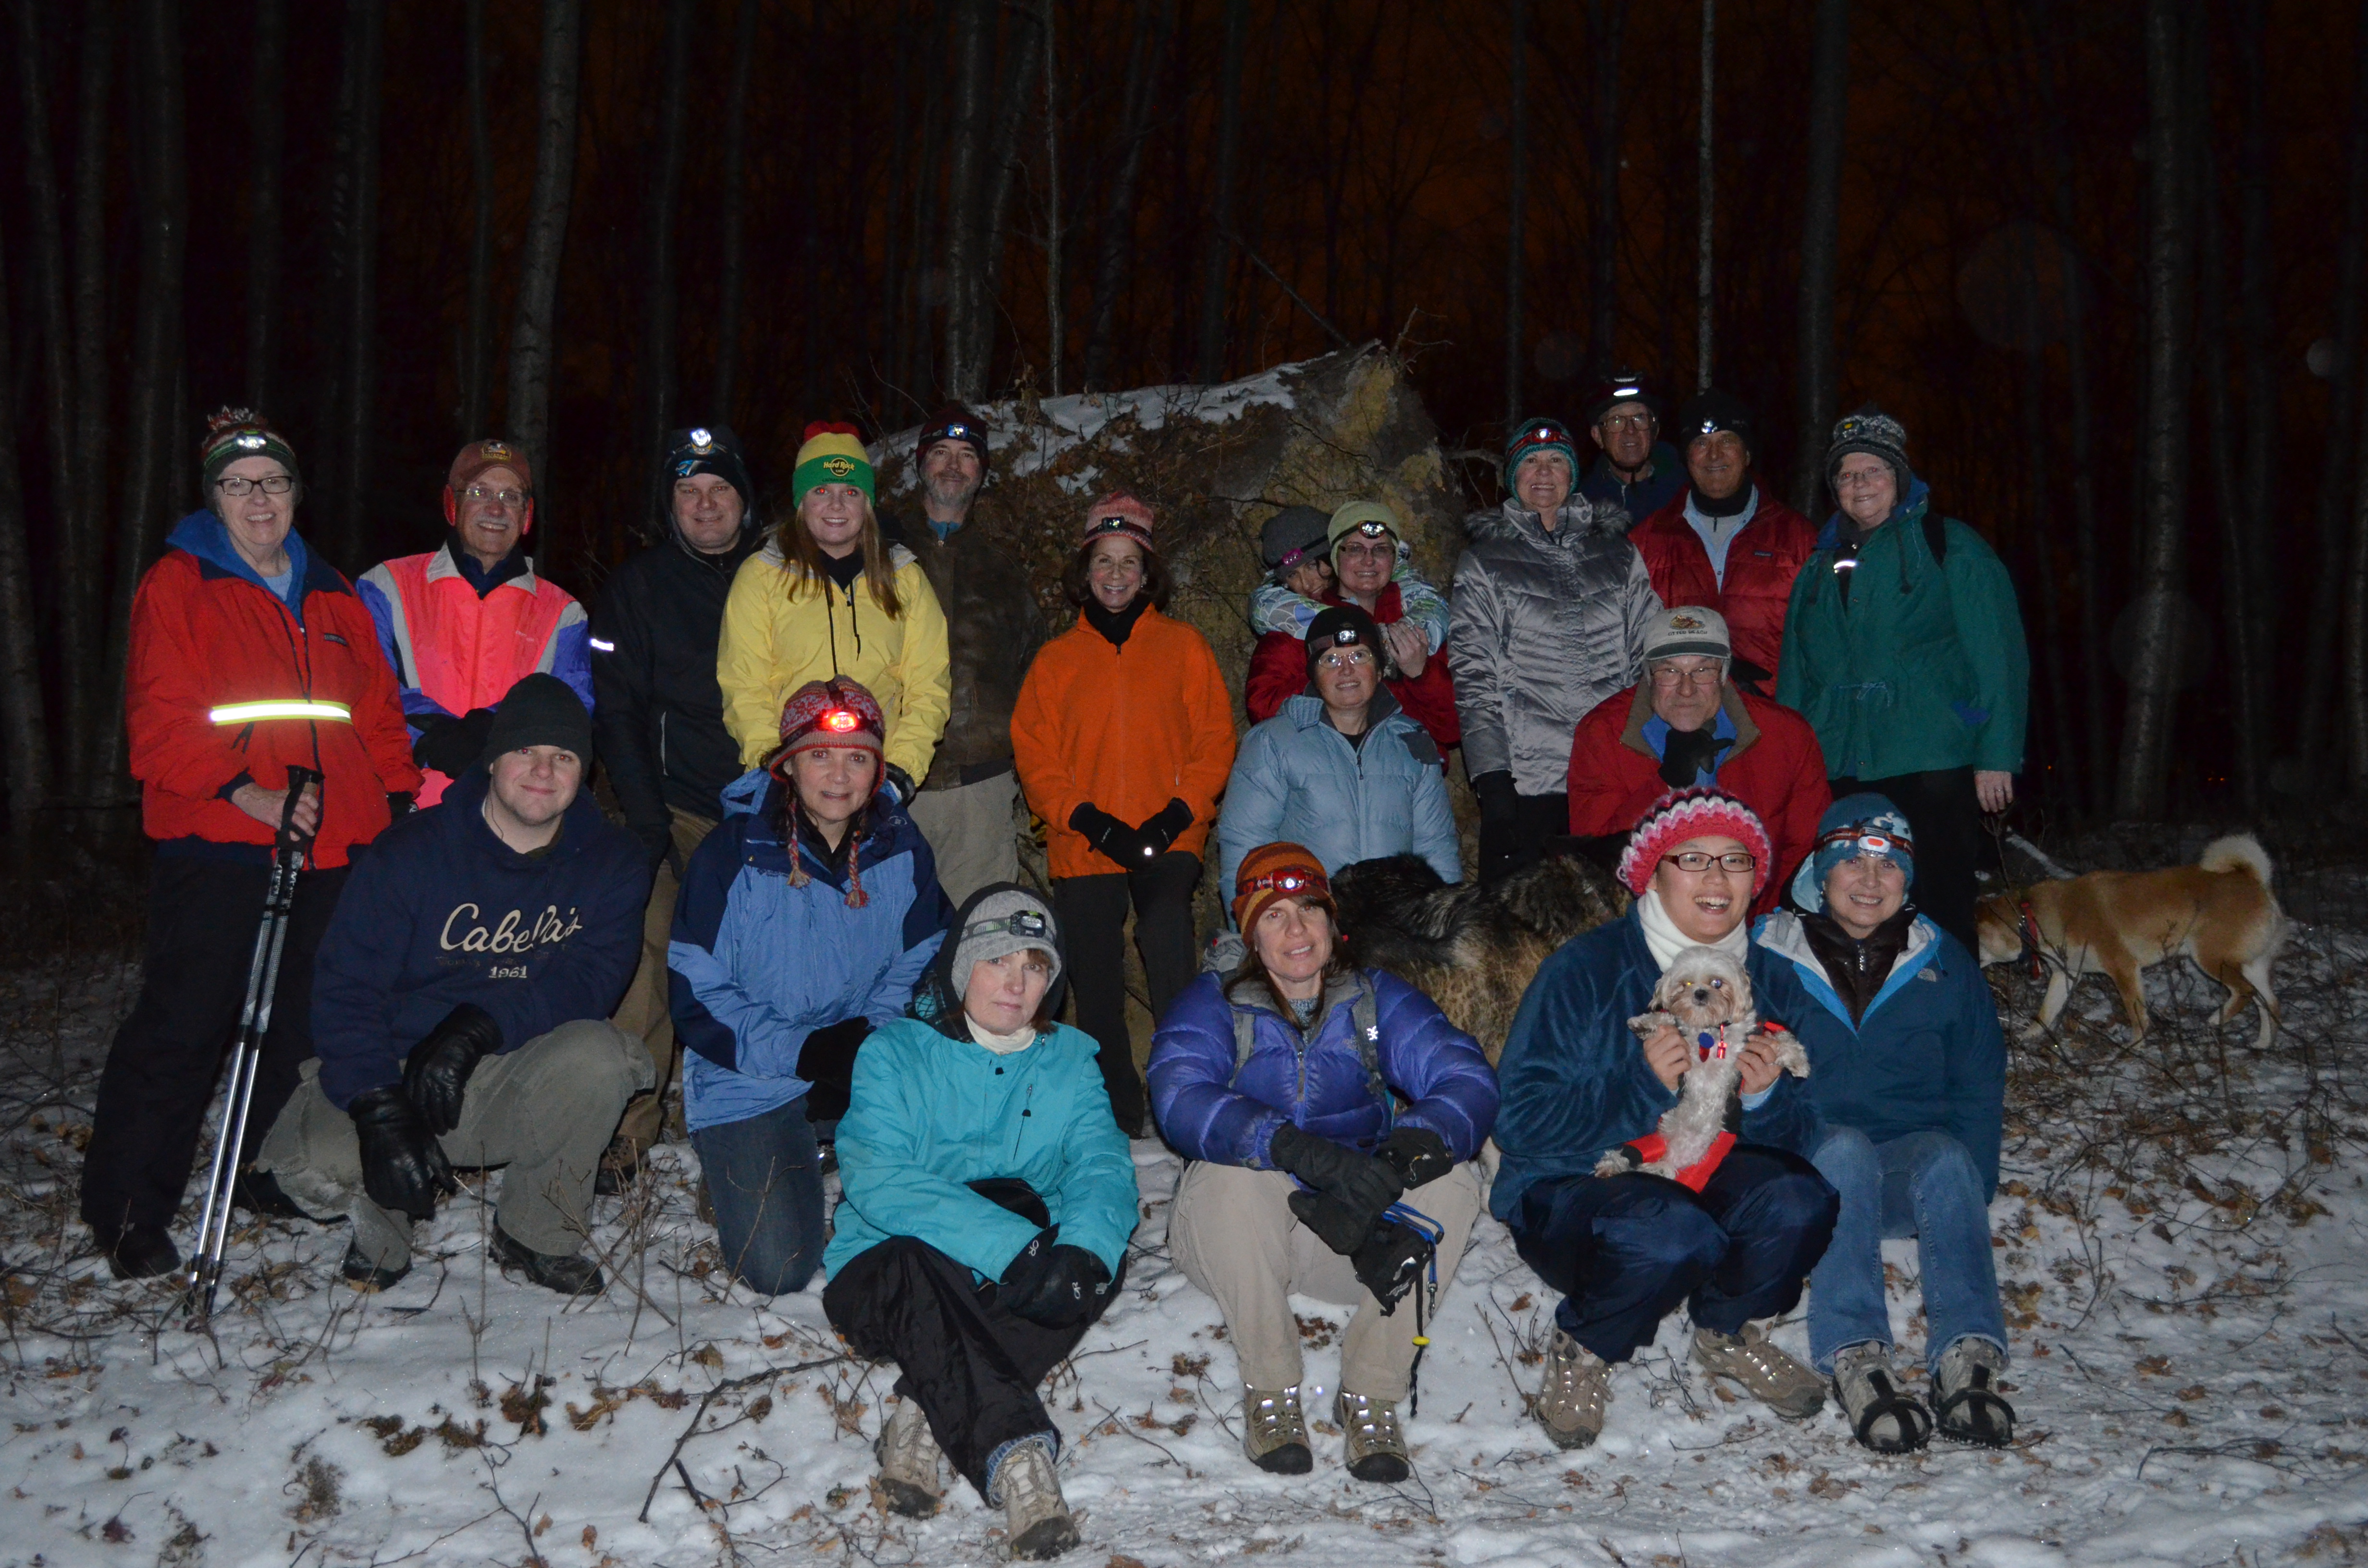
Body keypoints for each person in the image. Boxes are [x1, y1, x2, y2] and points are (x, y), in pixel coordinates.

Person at [81, 410, 421, 1280]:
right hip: (221, 839)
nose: (258, 499)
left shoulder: (334, 592)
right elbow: (159, 722)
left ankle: (268, 1169)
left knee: (304, 1024)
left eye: (272, 481)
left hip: (334, 846)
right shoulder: (181, 583)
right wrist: (248, 791)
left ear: (296, 492)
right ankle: (129, 1209)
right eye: (238, 485)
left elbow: (377, 715)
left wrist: (394, 806)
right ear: (215, 498)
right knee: (186, 1022)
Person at [256, 675, 651, 1295]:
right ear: (492, 759)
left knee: (602, 1058)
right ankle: (382, 1233)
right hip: (395, 1064)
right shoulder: (409, 852)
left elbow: (591, 981)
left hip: (511, 1070)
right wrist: (379, 1106)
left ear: (584, 772)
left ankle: (537, 1232)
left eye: (564, 757)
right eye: (525, 750)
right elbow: (346, 989)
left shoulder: (613, 860)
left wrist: (478, 1026)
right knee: (314, 1164)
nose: (543, 771)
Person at [1492, 789, 1838, 1451]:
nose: (1716, 878)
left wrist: (1765, 1101)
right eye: (1693, 859)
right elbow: (1519, 1122)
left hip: (1701, 1171)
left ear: (1756, 880)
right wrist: (1636, 1084)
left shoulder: (1772, 979)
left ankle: (1728, 1331)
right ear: (1652, 874)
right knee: (1670, 1228)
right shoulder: (1585, 970)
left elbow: (1804, 1140)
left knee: (1800, 1199)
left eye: (1735, 860)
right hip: (1573, 1185)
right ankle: (1585, 1347)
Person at [1150, 844, 1498, 1481]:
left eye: (1309, 909)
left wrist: (1398, 1157)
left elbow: (1464, 1075)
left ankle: (1372, 1393)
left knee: (1452, 1179)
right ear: (1250, 933)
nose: (1296, 929)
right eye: (1274, 915)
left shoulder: (1372, 998)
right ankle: (1271, 1392)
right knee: (1228, 1175)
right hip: (1241, 1241)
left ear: (1332, 922)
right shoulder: (1216, 1001)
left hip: (1349, 1236)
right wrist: (1288, 1147)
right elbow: (1178, 1093)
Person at [823, 885, 1136, 1560]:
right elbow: (878, 1175)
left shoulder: (1070, 1061)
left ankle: (923, 1410)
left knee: (1094, 1262)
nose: (1016, 984)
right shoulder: (894, 1052)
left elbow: (1102, 1166)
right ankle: (1016, 1456)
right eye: (998, 961)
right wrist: (1014, 1250)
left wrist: (1082, 1251)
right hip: (885, 1270)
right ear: (963, 966)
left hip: (1004, 1274)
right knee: (919, 1257)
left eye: (1035, 966)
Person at [668, 679, 951, 1292]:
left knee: (932, 1223)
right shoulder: (732, 854)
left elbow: (924, 962)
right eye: (819, 755)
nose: (839, 776)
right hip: (749, 1076)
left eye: (857, 759)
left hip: (863, 1060)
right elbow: (698, 993)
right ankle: (745, 1162)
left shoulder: (901, 848)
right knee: (778, 1268)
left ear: (878, 771)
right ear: (788, 765)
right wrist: (803, 1051)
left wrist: (864, 1043)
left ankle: (832, 1151)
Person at [1755, 795, 2013, 1452]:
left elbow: (1979, 1077)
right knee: (1843, 1149)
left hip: (1898, 1173)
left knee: (1946, 1156)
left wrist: (1970, 1187)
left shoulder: (1942, 960)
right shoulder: (1767, 955)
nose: (1870, 881)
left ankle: (1967, 1357)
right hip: (1798, 1174)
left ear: (1908, 879)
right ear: (1821, 873)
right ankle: (1857, 1357)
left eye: (1889, 866)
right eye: (1852, 863)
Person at [1011, 493, 1236, 1136]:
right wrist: (1087, 820)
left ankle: (1185, 1089)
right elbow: (1036, 756)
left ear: (1147, 572)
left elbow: (1215, 741)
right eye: (1103, 561)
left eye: (1128, 561)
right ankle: (1117, 1110)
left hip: (1168, 833)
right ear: (1085, 572)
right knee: (1093, 972)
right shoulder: (1056, 660)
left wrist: (1176, 815)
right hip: (1084, 840)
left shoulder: (1183, 647)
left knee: (1167, 937)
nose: (1115, 574)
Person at [1776, 407, 2029, 955]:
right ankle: (1860, 999)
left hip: (1931, 758)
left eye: (1874, 471)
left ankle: (1951, 999)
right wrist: (1788, 764)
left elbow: (1998, 654)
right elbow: (1796, 673)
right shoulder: (1817, 567)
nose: (1859, 484)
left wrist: (1996, 754)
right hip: (1840, 762)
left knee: (1939, 899)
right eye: (1847, 475)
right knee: (1847, 899)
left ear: (1899, 478)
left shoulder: (1949, 545)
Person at [591, 425, 765, 1178]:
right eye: (689, 492)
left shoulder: (780, 578)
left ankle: (748, 1115)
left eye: (720, 489)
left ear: (745, 502)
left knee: (760, 965)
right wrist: (646, 816)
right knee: (649, 949)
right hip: (672, 806)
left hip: (765, 809)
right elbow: (617, 709)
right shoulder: (638, 587)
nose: (706, 504)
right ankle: (628, 1126)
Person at [1451, 417, 1662, 884]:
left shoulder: (1618, 555)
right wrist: (1492, 781)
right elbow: (1473, 677)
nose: (1543, 473)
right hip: (1528, 782)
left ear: (1572, 474)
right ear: (1513, 477)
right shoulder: (1484, 562)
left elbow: (1650, 657)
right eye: (1530, 461)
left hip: (1610, 774)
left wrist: (1654, 749)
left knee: (1614, 910)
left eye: (1555, 461)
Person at [717, 422, 951, 803]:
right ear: (802, 501)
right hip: (793, 777)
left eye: (851, 492)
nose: (837, 506)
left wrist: (900, 771)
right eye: (821, 491)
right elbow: (744, 684)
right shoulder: (761, 576)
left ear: (867, 504)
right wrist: (775, 766)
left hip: (875, 776)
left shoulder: (904, 577)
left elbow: (929, 684)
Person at [358, 439, 593, 808]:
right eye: (480, 492)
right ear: (452, 505)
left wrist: (493, 729)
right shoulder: (386, 586)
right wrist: (433, 737)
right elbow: (365, 684)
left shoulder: (564, 612)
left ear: (527, 515)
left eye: (511, 497)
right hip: (401, 800)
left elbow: (571, 707)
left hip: (509, 810)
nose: (496, 509)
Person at [1566, 606, 1830, 914]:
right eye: (1670, 672)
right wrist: (1665, 784)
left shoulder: (1786, 735)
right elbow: (1593, 859)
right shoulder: (1602, 733)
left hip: (1753, 919)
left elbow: (1806, 850)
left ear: (1725, 674)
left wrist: (1756, 922)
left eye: (1703, 671)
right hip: (1642, 919)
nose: (1687, 689)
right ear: (1648, 676)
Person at [894, 406, 1049, 906]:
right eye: (940, 452)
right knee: (884, 929)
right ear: (921, 464)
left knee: (978, 930)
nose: (953, 466)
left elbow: (1036, 675)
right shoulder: (879, 552)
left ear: (981, 473)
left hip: (979, 785)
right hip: (889, 779)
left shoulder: (1003, 571)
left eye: (966, 455)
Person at [1219, 605, 1460, 904]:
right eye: (1330, 660)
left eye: (1360, 656)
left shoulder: (1412, 742)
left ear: (1380, 669)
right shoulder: (1273, 743)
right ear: (1314, 675)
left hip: (1395, 924)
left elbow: (1437, 848)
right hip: (1310, 921)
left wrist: (1447, 924)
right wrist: (1252, 924)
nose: (1346, 670)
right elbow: (1245, 846)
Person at [1627, 391, 1816, 688]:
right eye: (1701, 444)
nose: (1714, 455)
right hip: (1678, 708)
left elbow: (1820, 645)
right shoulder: (1646, 542)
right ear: (1687, 458)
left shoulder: (1798, 539)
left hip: (1774, 708)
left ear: (1747, 454)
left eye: (1727, 441)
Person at [1245, 501, 1458, 748]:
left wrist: (1422, 674)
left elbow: (1453, 730)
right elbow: (1263, 709)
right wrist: (1329, 675)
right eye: (1355, 550)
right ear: (1337, 555)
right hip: (1332, 765)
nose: (1368, 561)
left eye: (1381, 550)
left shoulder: (1418, 619)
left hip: (1414, 767)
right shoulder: (1289, 631)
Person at [1577, 372, 1685, 521]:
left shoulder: (1687, 495)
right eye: (1616, 420)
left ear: (1655, 431)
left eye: (1640, 418)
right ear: (1598, 436)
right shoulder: (1581, 507)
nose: (1630, 430)